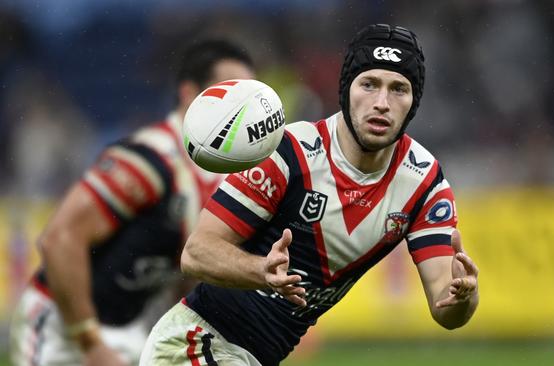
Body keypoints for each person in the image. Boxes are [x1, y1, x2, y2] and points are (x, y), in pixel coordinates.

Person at [140, 24, 480, 366]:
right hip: (195, 343)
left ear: (414, 102)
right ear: (346, 89)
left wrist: (464, 297)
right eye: (369, 84)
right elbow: (196, 254)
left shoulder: (425, 184)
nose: (382, 103)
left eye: (399, 89)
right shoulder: (287, 153)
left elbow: (446, 309)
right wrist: (262, 272)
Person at [9, 38, 256, 366]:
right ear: (188, 94)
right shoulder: (150, 160)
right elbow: (59, 239)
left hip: (127, 328)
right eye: (229, 92)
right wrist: (91, 344)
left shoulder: (223, 179)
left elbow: (185, 271)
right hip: (62, 327)